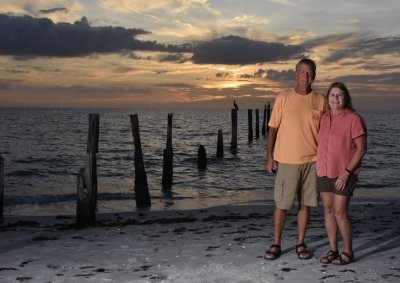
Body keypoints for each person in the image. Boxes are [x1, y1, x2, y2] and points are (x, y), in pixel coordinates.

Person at [264, 58, 326, 260]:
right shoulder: (283, 97)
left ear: (314, 76)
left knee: (305, 205)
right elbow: (272, 128)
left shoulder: (321, 99)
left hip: (313, 160)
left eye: (310, 73)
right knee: (282, 204)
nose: (306, 77)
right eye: (302, 72)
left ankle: (300, 242)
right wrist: (269, 157)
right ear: (296, 74)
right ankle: (276, 243)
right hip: (287, 160)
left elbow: (327, 132)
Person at [317, 82, 367, 265]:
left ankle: (347, 251)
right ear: (327, 98)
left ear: (345, 98)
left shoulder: (354, 119)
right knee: (328, 210)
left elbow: (361, 149)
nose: (336, 98)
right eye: (332, 95)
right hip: (324, 171)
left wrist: (346, 173)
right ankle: (333, 249)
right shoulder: (324, 118)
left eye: (339, 95)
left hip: (344, 173)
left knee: (340, 213)